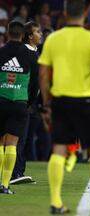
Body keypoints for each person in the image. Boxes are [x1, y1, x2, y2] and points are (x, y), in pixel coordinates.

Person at [38, 0, 90, 214]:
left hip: (61, 101)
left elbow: (43, 74)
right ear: (86, 12)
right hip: (86, 102)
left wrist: (47, 102)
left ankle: (55, 202)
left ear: (64, 13)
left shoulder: (53, 38)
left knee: (59, 149)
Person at [0, 20, 38, 194]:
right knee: (12, 145)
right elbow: (35, 84)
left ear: (8, 33)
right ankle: (5, 185)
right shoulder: (30, 56)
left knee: (0, 143)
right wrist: (28, 102)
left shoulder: (1, 52)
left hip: (1, 101)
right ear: (23, 35)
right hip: (20, 103)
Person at [10, 21, 42, 185]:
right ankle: (15, 173)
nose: (40, 34)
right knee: (18, 138)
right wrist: (29, 101)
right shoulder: (26, 54)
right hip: (22, 100)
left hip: (29, 102)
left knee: (24, 138)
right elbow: (31, 82)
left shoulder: (33, 52)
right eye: (37, 32)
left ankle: (19, 171)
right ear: (29, 36)